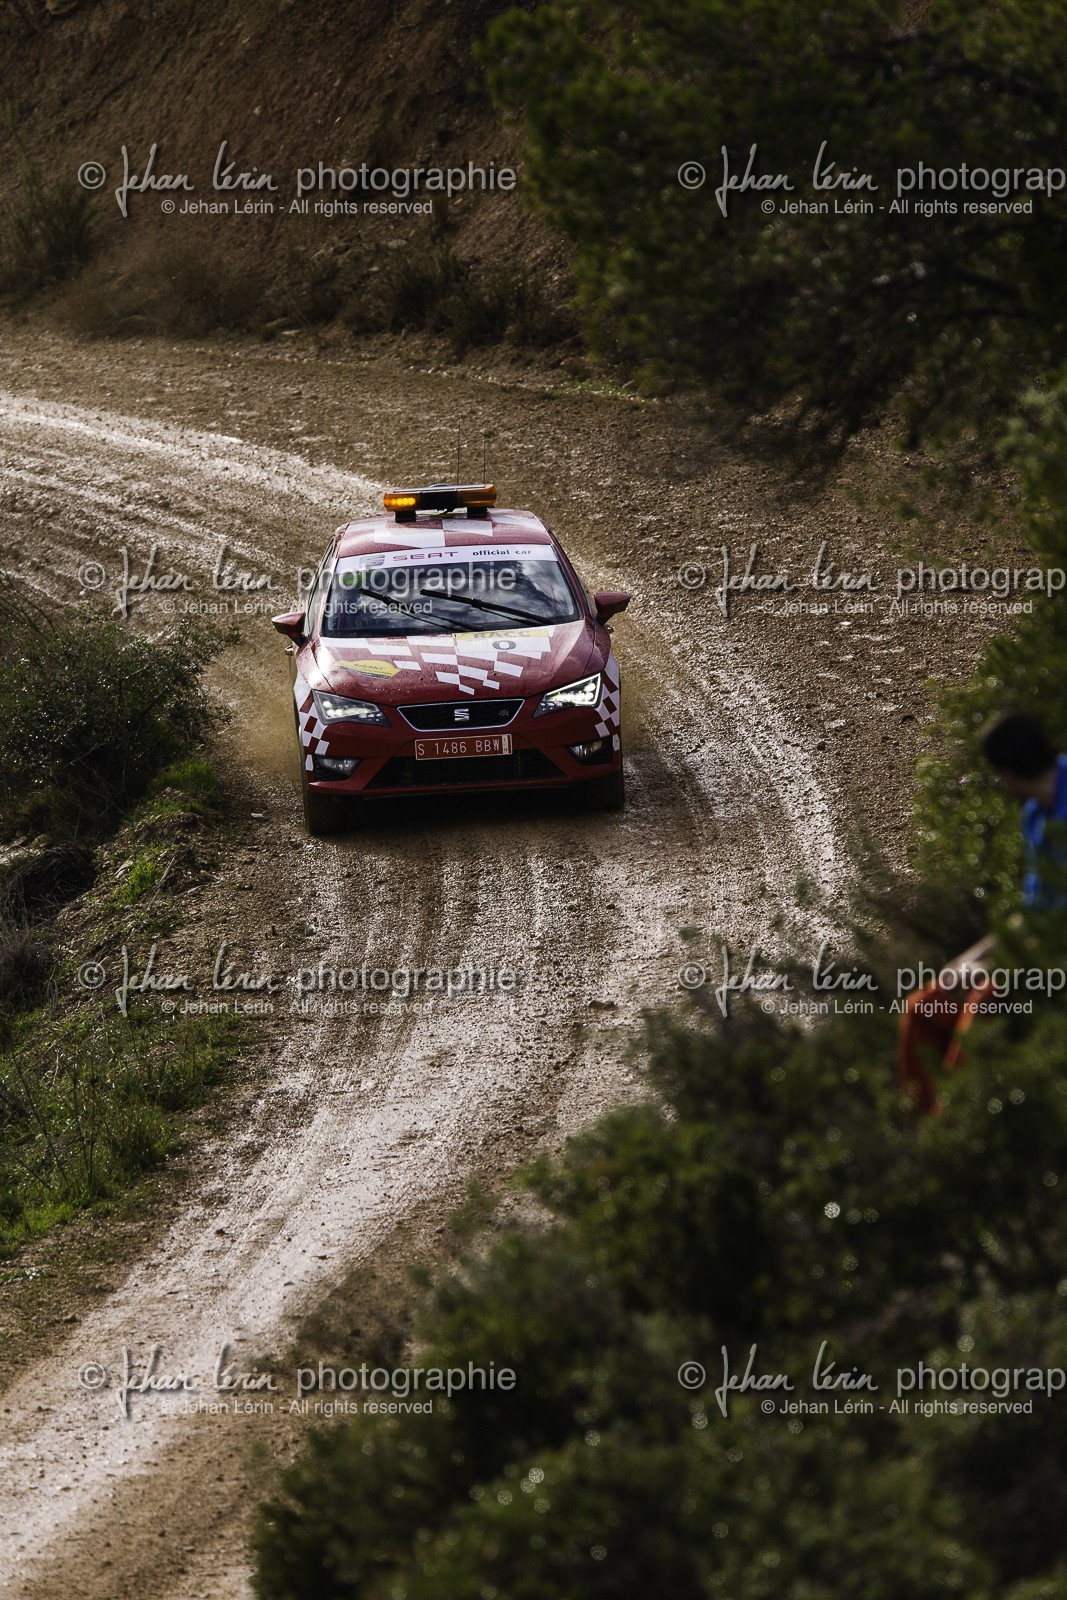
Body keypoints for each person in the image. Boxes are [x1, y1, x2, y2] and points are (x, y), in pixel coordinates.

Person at [898, 713, 1067, 1113]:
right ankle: (921, 1132)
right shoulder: (1035, 815)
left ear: (1007, 775)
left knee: (980, 1012)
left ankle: (960, 1127)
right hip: (1030, 951)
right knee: (923, 1007)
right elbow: (1034, 908)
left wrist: (998, 963)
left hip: (1052, 959)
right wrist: (972, 958)